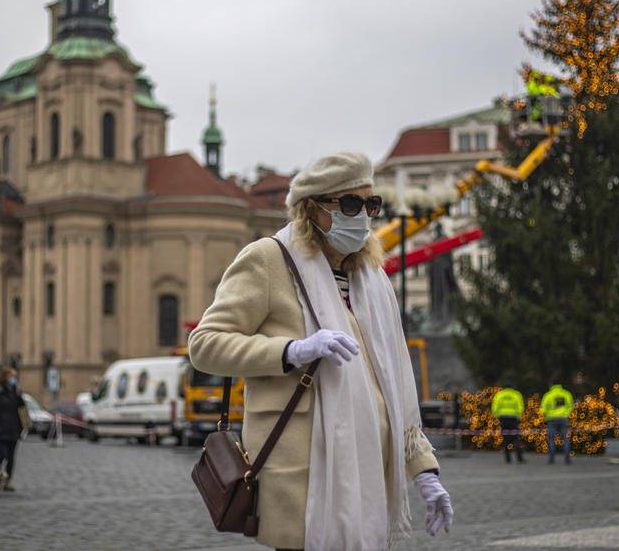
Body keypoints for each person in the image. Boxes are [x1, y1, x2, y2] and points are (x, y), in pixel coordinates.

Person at [189, 152, 453, 550]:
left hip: (369, 481)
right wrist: (291, 351)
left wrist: (424, 472)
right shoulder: (268, 259)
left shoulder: (373, 279)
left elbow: (394, 385)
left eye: (370, 204)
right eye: (349, 204)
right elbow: (205, 344)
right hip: (302, 485)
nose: (362, 215)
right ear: (311, 208)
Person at [0, 367, 25, 492]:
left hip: (14, 429)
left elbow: (22, 407)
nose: (13, 379)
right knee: (3, 454)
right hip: (1, 429)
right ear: (5, 377)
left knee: (11, 457)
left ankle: (7, 482)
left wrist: (19, 394)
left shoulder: (14, 391)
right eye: (11, 376)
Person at [540, 381, 574, 464]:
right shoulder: (566, 394)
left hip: (551, 419)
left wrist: (546, 417)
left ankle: (551, 459)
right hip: (563, 418)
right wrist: (566, 415)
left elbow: (543, 409)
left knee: (551, 439)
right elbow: (571, 406)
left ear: (552, 385)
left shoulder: (548, 395)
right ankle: (567, 458)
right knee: (565, 439)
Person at [491, 383, 525, 463]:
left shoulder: (499, 395)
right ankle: (519, 458)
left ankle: (507, 458)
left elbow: (495, 408)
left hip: (503, 418)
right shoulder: (516, 394)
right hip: (513, 418)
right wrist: (518, 417)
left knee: (505, 439)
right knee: (516, 439)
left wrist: (497, 417)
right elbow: (520, 407)